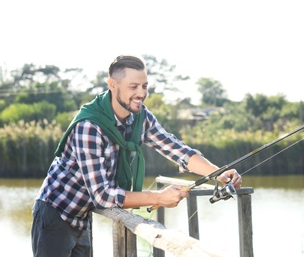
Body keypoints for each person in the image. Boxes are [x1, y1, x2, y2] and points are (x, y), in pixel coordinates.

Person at [31, 54, 242, 257]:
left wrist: (218, 173)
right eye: (133, 87)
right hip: (55, 214)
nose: (141, 93)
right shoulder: (90, 127)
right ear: (113, 85)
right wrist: (159, 198)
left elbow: (177, 149)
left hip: (81, 216)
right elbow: (103, 195)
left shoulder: (140, 117)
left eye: (145, 86)